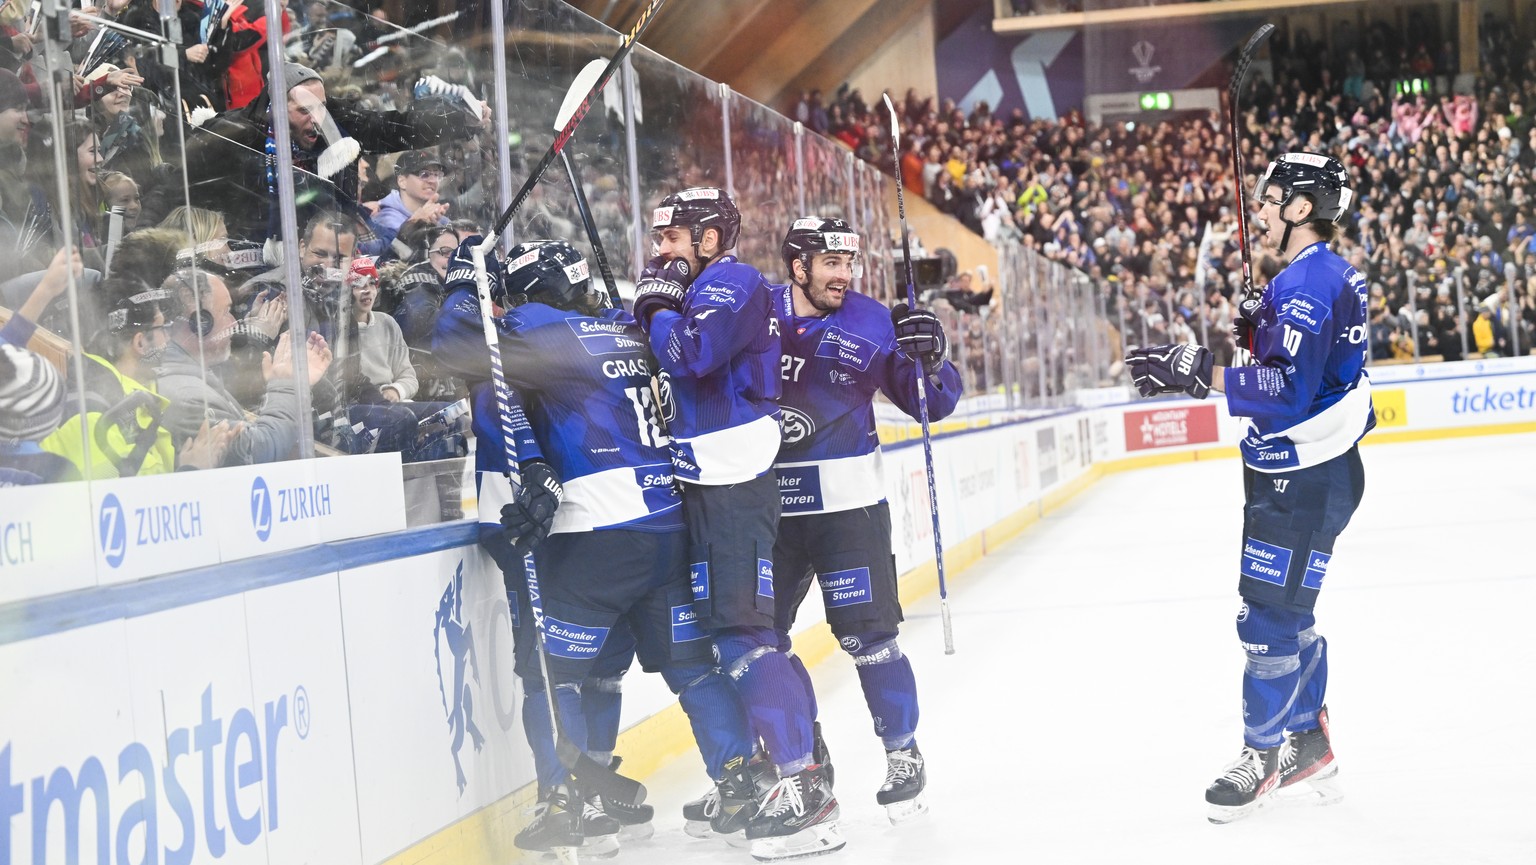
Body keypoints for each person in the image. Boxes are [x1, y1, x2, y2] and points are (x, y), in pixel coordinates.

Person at [432, 237, 759, 856]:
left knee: (552, 677)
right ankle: (740, 784)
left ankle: (569, 803)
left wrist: (463, 280)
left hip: (597, 537)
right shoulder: (625, 327)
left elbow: (457, 344)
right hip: (669, 527)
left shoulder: (538, 327)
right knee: (692, 669)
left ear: (527, 295)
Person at [1123, 152, 1373, 823]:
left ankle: (1261, 754)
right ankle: (1311, 742)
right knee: (1291, 612)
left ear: (1299, 209)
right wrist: (1252, 331)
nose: (1259, 209)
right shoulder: (1310, 278)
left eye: (1270, 199)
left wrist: (1197, 369)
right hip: (1305, 472)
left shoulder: (1304, 287)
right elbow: (1292, 371)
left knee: (1264, 618)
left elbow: (1286, 392)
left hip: (1301, 474)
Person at [632, 187, 840, 860]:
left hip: (731, 483)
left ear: (712, 237)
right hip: (709, 481)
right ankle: (796, 765)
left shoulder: (733, 280)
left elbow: (690, 354)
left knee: (747, 638)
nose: (661, 250)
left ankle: (804, 784)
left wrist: (656, 304)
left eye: (673, 238)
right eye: (659, 239)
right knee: (737, 637)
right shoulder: (708, 285)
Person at [770, 216, 963, 824]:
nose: (843, 275)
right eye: (830, 263)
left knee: (869, 639)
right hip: (767, 509)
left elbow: (934, 402)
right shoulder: (755, 312)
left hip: (848, 509)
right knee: (760, 642)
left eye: (848, 264)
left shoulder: (874, 320)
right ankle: (804, 756)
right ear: (798, 265)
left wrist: (933, 358)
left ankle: (903, 753)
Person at [155, 266, 334, 466]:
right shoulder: (188, 399)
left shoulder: (189, 374)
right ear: (199, 323)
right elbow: (257, 450)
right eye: (226, 312)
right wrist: (287, 384)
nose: (234, 322)